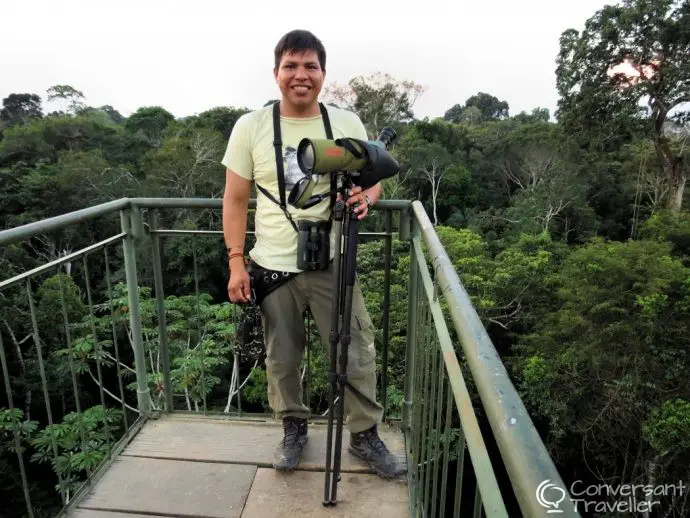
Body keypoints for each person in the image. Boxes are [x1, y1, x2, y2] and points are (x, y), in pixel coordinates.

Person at [220, 29, 404, 479]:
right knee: (282, 357)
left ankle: (364, 435)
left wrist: (369, 198)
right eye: (291, 66)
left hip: (333, 260)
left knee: (354, 351)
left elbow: (374, 174)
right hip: (273, 264)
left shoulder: (346, 123)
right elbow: (235, 199)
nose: (300, 76)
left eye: (310, 67)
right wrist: (236, 261)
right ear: (276, 72)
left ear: (323, 73)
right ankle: (293, 428)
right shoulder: (251, 127)